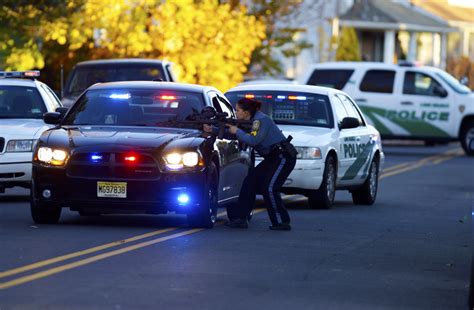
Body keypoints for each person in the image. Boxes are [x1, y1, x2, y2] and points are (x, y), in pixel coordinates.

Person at [203, 98, 297, 230]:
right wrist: (212, 129)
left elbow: (252, 140)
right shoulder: (250, 121)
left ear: (246, 112)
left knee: (270, 188)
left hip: (283, 157)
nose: (236, 113)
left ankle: (282, 222)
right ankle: (240, 219)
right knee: (249, 182)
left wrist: (237, 131)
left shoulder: (260, 121)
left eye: (238, 110)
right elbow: (236, 135)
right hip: (272, 158)